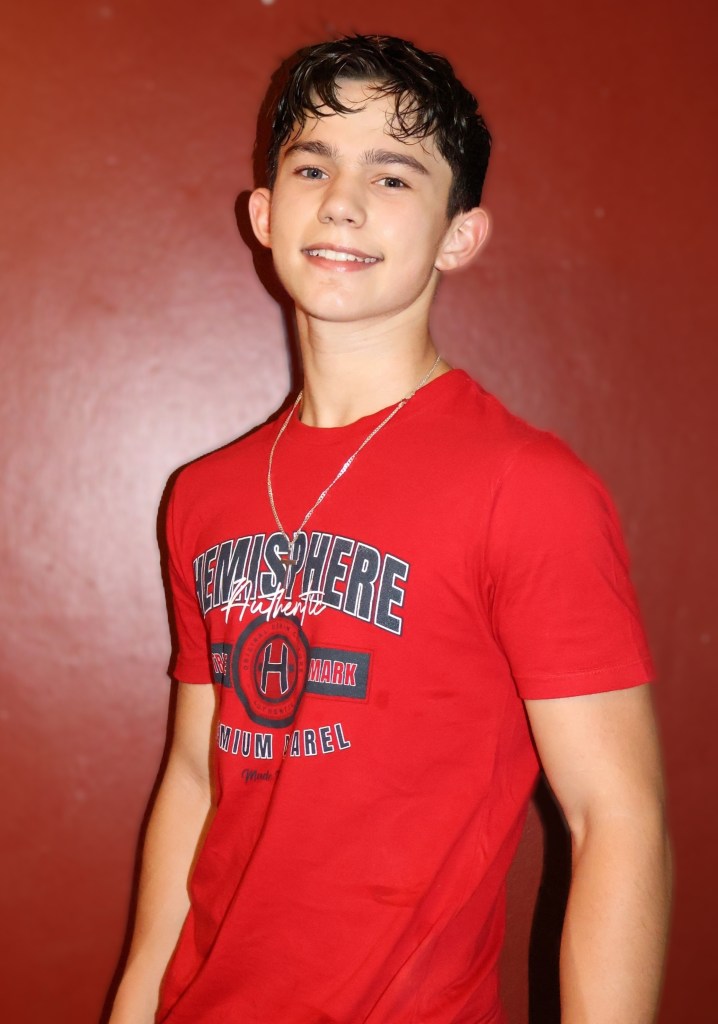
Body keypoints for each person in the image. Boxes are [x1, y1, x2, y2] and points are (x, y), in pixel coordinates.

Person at [108, 34, 671, 1024]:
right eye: (312, 167)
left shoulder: (527, 487)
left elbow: (615, 819)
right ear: (264, 213)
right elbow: (197, 779)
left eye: (394, 175)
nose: (342, 202)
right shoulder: (202, 496)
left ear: (460, 234)